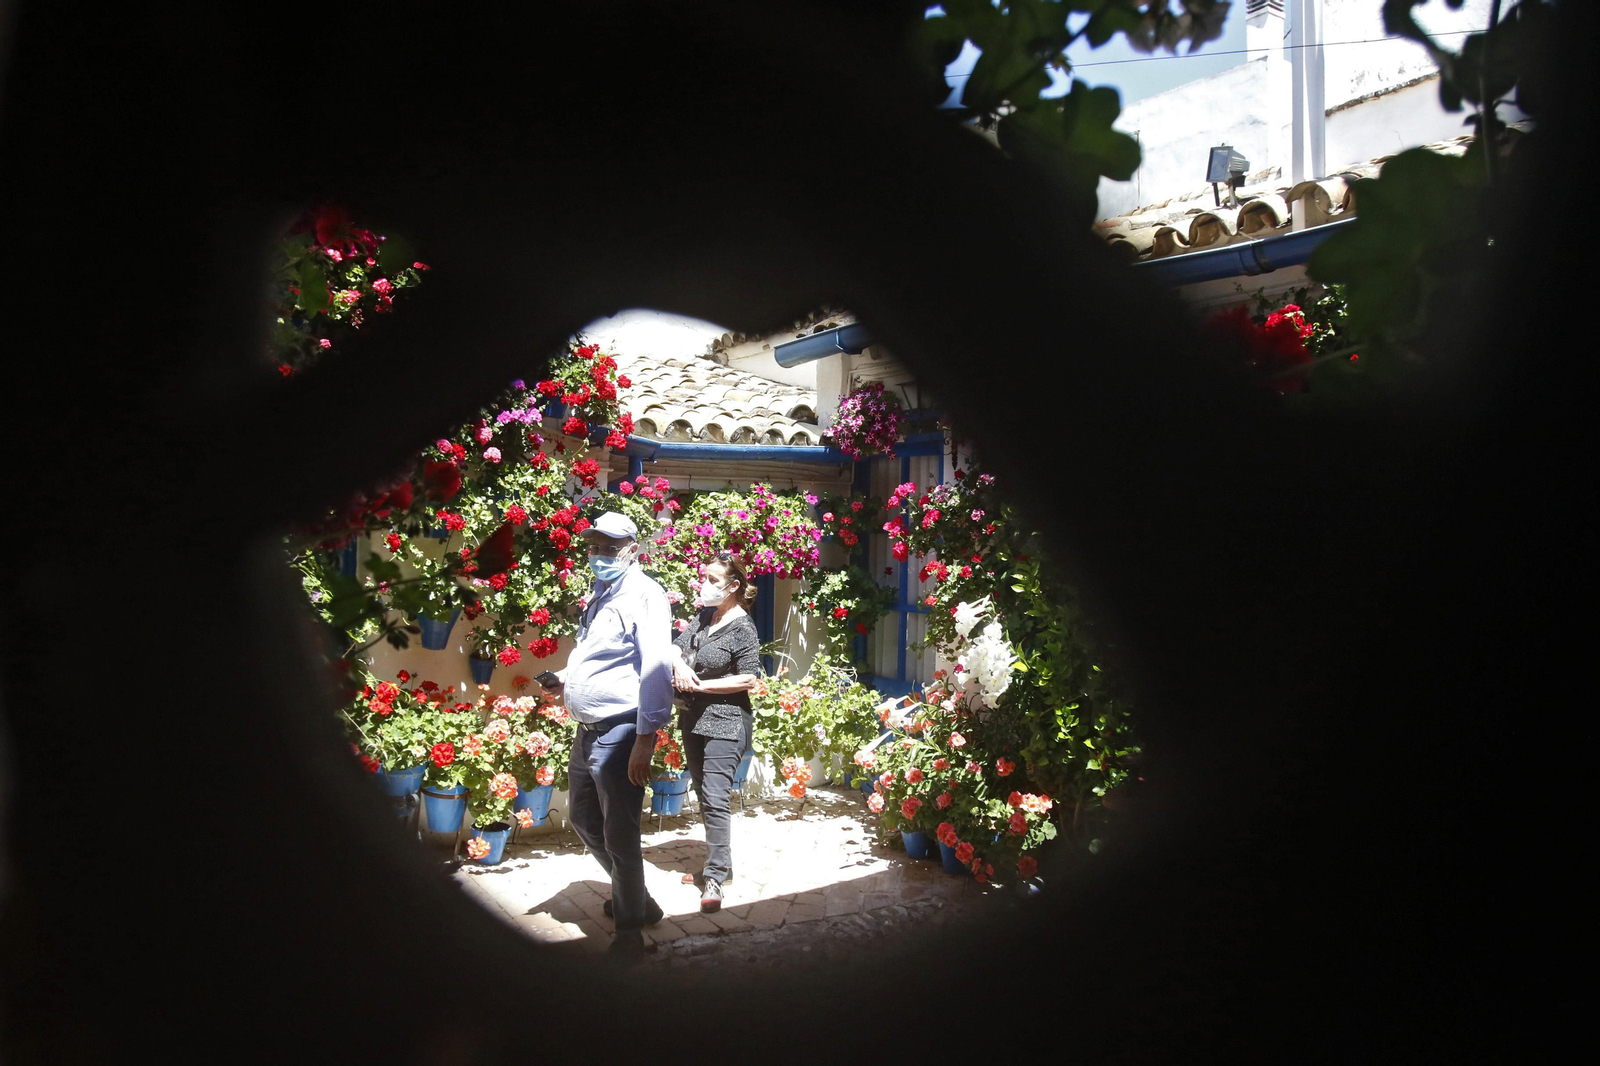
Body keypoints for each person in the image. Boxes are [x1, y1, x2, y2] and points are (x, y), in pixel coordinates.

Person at [540, 511, 674, 959]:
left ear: (632, 550)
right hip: (588, 731)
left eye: (608, 547)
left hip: (621, 732)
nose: (598, 554)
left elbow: (656, 665)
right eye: (593, 546)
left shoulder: (646, 595)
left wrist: (646, 737)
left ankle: (630, 932)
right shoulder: (601, 593)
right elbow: (598, 656)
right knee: (582, 818)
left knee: (620, 833)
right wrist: (562, 677)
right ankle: (637, 901)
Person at [670, 552, 763, 913]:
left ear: (733, 586)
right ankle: (719, 865)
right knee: (701, 790)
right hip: (693, 718)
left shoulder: (743, 627)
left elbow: (749, 678)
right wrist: (679, 664)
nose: (704, 585)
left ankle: (715, 877)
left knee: (714, 795)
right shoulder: (706, 615)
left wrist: (699, 686)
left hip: (727, 719)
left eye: (712, 580)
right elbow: (677, 647)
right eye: (704, 577)